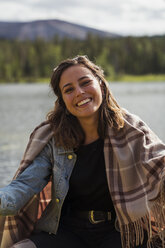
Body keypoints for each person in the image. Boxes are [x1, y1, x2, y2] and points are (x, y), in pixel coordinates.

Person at [0, 55, 165, 248]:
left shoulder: (131, 130)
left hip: (120, 230)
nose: (79, 92)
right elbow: (23, 187)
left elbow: (160, 165)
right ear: (63, 101)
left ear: (101, 86)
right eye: (68, 90)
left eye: (85, 83)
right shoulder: (53, 139)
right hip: (67, 230)